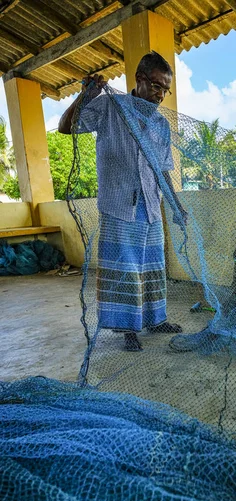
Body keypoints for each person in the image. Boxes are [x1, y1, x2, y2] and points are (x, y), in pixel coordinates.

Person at [59, 51, 188, 351]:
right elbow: (67, 127)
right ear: (139, 79)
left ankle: (156, 320)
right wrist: (85, 95)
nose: (161, 94)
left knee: (153, 268)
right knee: (126, 271)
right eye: (156, 85)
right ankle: (128, 329)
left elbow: (163, 170)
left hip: (151, 209)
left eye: (166, 89)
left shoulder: (160, 125)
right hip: (119, 206)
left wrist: (176, 206)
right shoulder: (110, 107)